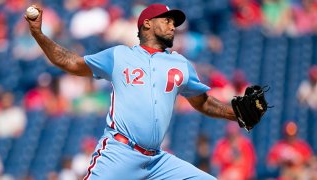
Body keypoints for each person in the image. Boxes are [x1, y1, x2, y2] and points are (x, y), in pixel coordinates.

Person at [26, 3, 237, 179]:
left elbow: (203, 102)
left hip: (158, 162)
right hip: (120, 153)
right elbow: (70, 63)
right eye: (167, 20)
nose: (173, 26)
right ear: (147, 23)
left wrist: (235, 113)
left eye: (174, 22)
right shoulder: (119, 55)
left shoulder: (181, 64)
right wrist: (38, 34)